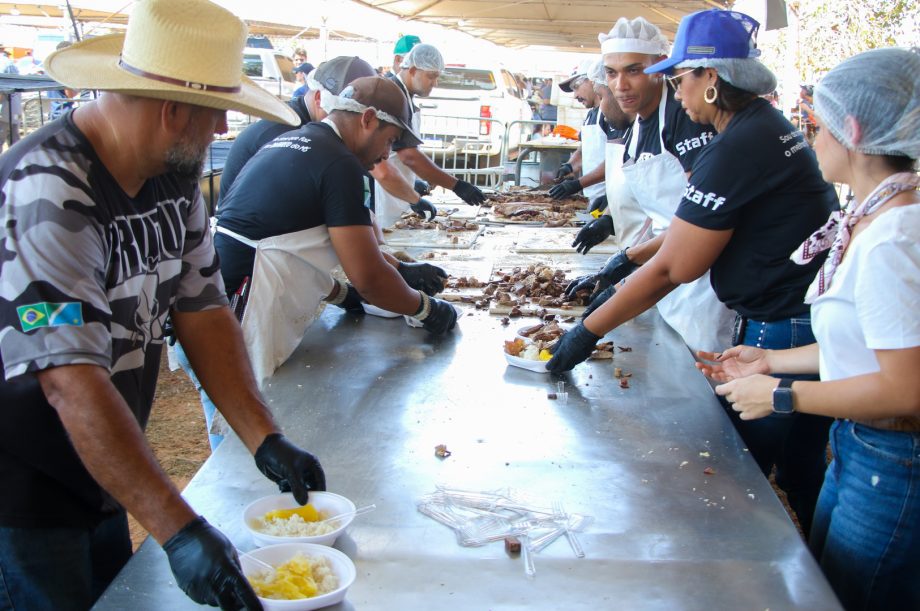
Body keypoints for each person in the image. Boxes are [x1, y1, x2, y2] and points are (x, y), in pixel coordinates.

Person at [0, 1, 327, 608]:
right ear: (174, 111)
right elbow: (70, 382)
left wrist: (263, 437)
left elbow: (202, 310)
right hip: (23, 483)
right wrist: (180, 531)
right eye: (218, 112)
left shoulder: (172, 179)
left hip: (100, 465)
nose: (225, 128)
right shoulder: (49, 190)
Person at [549, 10, 840, 536]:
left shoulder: (738, 144)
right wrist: (622, 262)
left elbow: (674, 267)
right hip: (786, 323)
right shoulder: (759, 127)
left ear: (712, 79)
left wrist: (585, 333)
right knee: (796, 473)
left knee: (736, 477)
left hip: (784, 324)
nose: (675, 90)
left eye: (680, 77)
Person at [703, 47, 920, 609]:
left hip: (894, 462)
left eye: (817, 127)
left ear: (851, 130)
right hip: (861, 446)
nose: (809, 140)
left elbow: (906, 389)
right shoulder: (878, 215)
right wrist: (771, 361)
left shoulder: (894, 240)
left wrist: (781, 396)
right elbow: (869, 350)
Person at [215, 76, 458, 390]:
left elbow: (292, 246)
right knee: (240, 428)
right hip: (238, 309)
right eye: (390, 140)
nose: (387, 155)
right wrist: (427, 309)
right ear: (368, 119)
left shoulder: (300, 140)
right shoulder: (339, 163)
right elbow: (369, 278)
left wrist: (343, 295)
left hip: (217, 295)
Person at [566, 15, 730, 355]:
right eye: (611, 73)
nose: (620, 84)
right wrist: (613, 229)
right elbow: (656, 209)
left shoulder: (685, 119)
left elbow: (701, 222)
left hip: (704, 285)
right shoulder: (639, 125)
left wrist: (626, 262)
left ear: (660, 68)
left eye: (634, 70)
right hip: (663, 276)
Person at [374, 43, 486, 227]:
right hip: (386, 197)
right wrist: (456, 185)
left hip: (399, 192)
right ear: (412, 70)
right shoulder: (393, 95)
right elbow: (408, 155)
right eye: (431, 77)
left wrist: (414, 182)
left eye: (437, 77)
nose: (435, 83)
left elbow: (400, 152)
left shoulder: (405, 96)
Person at [550, 59, 607, 210]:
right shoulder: (590, 116)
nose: (575, 96)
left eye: (576, 87)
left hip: (607, 197)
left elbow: (614, 162)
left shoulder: (609, 114)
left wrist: (577, 184)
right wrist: (569, 166)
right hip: (591, 195)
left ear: (592, 81)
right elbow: (584, 150)